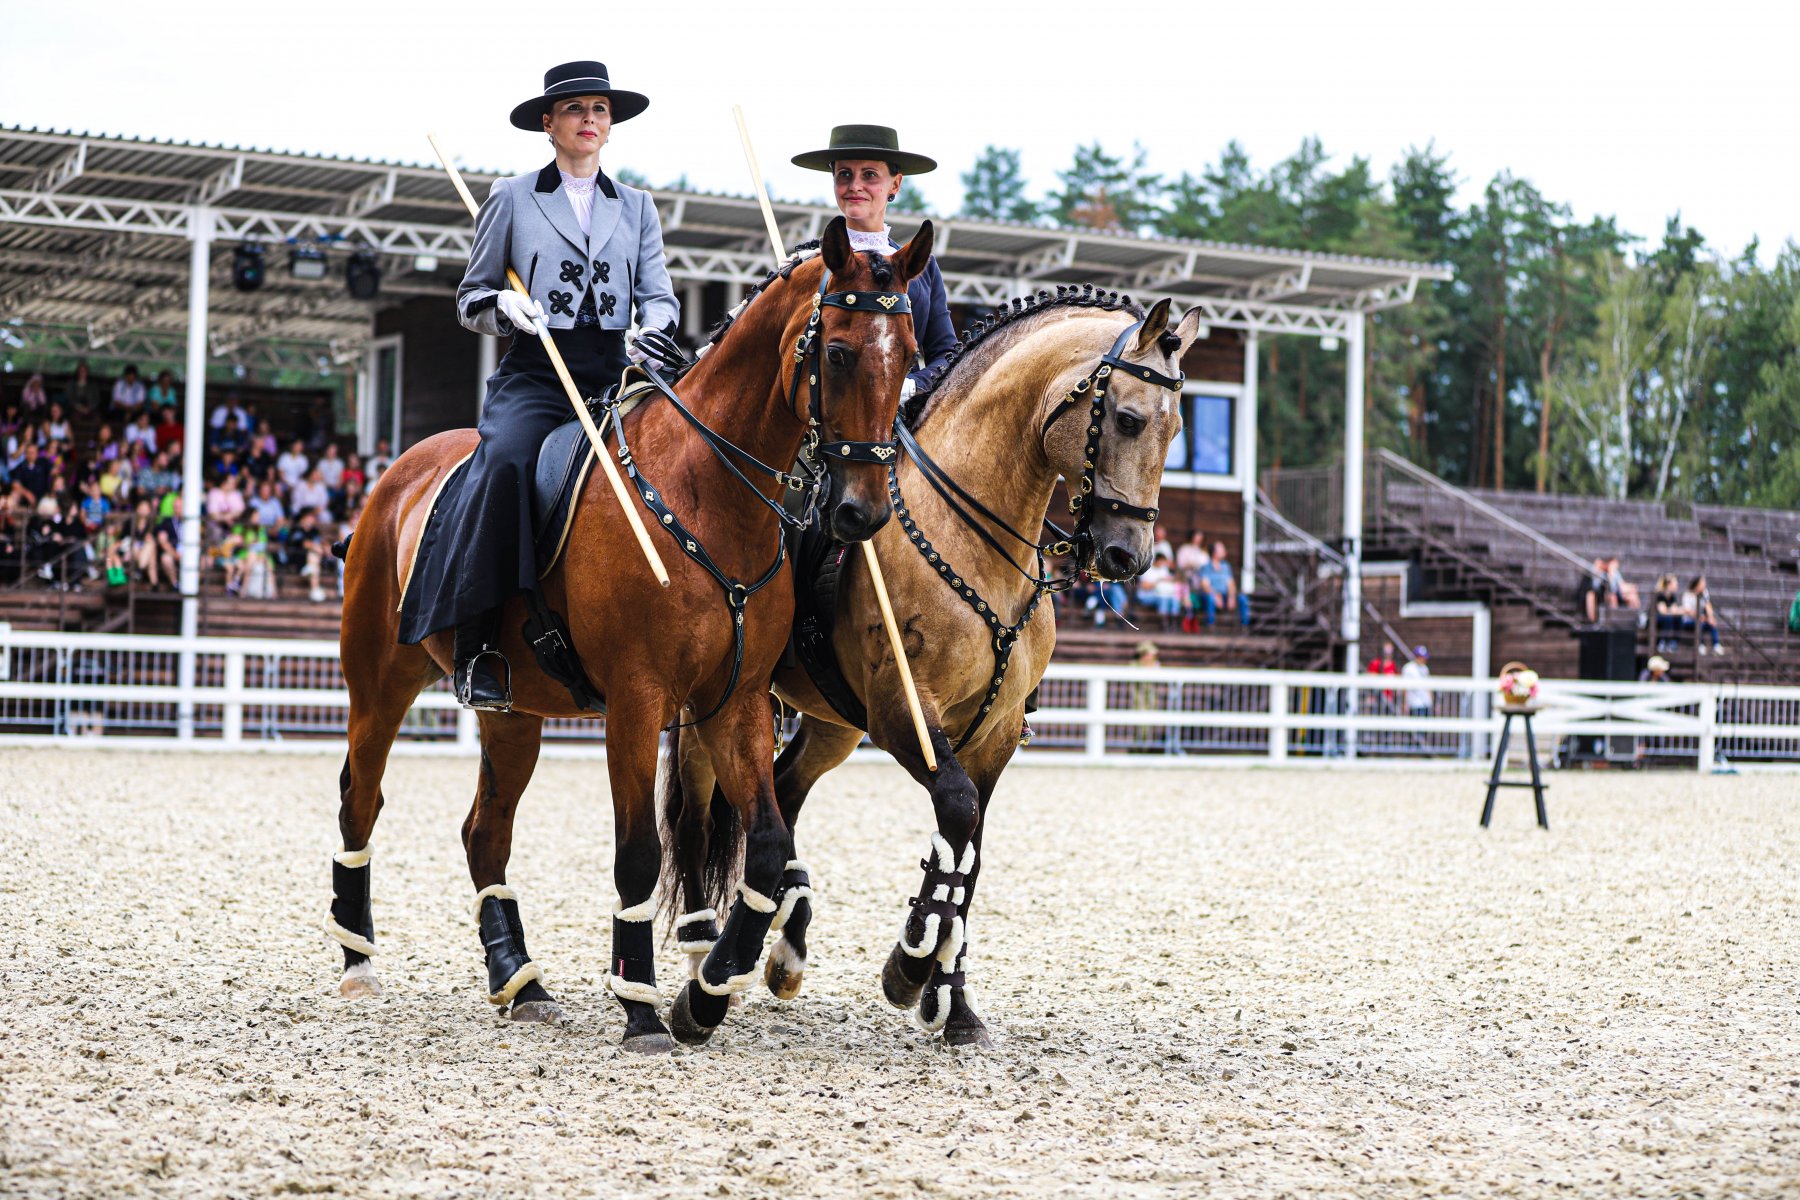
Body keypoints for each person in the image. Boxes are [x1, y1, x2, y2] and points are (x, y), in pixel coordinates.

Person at [400, 59, 678, 709]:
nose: (590, 120)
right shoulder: (512, 197)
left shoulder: (636, 207)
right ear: (549, 123)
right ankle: (480, 646)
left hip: (614, 372)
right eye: (577, 109)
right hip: (536, 373)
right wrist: (505, 307)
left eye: (600, 110)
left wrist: (651, 329)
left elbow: (660, 296)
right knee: (505, 465)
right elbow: (470, 298)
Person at [790, 123, 953, 407]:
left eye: (869, 175)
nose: (855, 186)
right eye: (844, 174)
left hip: (906, 425)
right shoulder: (807, 264)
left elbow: (947, 354)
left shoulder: (923, 268)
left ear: (895, 184)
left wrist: (911, 385)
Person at [1194, 541, 1250, 627]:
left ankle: (1244, 626)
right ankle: (1210, 625)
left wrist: (1231, 597)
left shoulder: (1226, 566)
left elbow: (1231, 584)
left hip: (1224, 596)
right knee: (1210, 598)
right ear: (1214, 553)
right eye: (1222, 550)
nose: (1225, 552)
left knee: (1242, 598)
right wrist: (1215, 595)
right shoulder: (1206, 567)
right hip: (1211, 595)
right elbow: (1205, 585)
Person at [1134, 552, 1184, 625]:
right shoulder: (1147, 570)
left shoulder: (1163, 569)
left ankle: (1174, 620)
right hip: (1146, 595)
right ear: (1158, 561)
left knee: (1174, 598)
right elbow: (1144, 586)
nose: (1163, 564)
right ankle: (1163, 622)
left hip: (1162, 593)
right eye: (1162, 562)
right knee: (1163, 598)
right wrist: (1158, 582)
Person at [1681, 575, 1724, 655]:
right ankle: (1700, 645)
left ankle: (1716, 645)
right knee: (1699, 623)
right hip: (1689, 621)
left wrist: (1710, 618)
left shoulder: (1704, 593)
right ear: (1697, 584)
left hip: (1702, 619)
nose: (1704, 584)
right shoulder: (1687, 595)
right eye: (1702, 583)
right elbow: (1688, 611)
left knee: (1712, 623)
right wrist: (1701, 617)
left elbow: (1708, 605)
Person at [1653, 573, 1682, 653]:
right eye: (1675, 583)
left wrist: (1674, 610)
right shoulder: (1660, 595)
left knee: (1678, 618)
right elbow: (1662, 611)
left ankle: (1673, 642)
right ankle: (1662, 641)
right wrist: (1672, 610)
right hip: (1655, 620)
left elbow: (1675, 610)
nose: (1677, 585)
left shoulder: (1672, 596)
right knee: (1668, 618)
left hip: (1667, 618)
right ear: (1669, 584)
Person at [1400, 645, 1432, 718]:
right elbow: (1404, 687)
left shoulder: (1425, 668)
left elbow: (1428, 686)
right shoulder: (1408, 668)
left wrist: (1431, 702)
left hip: (1426, 703)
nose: (1424, 659)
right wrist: (1405, 703)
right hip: (1414, 703)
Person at [1577, 557, 1610, 622]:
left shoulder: (1604, 576)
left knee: (1611, 595)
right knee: (1590, 595)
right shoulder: (1588, 574)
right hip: (1588, 594)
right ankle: (1591, 620)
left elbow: (1606, 588)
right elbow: (1584, 588)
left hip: (1600, 595)